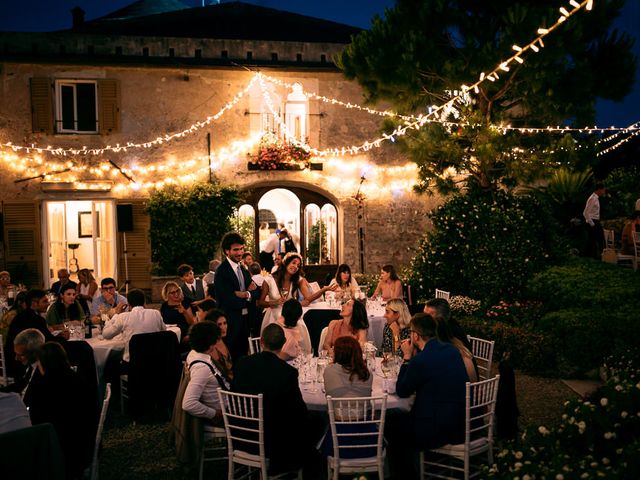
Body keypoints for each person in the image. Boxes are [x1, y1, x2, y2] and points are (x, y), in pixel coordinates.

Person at [385, 313, 469, 478]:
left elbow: (402, 390)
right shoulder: (452, 350)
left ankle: (405, 474)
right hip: (459, 423)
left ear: (415, 335)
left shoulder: (421, 360)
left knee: (391, 424)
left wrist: (408, 357)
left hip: (437, 429)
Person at [232, 323, 313, 475]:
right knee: (314, 422)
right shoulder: (287, 372)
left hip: (240, 434)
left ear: (261, 341)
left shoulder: (242, 363)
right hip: (272, 443)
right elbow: (299, 412)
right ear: (283, 344)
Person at [29, 342, 97, 480]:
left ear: (43, 363)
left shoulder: (44, 388)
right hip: (85, 443)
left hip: (62, 452)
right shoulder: (77, 378)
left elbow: (37, 421)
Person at [259, 252, 337, 329]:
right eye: (294, 263)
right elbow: (259, 303)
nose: (296, 266)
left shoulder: (297, 280)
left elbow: (309, 298)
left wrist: (323, 289)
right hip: (274, 316)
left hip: (292, 316)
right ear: (286, 262)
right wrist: (275, 302)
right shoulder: (269, 280)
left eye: (298, 266)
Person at [214, 232, 259, 360]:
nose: (239, 253)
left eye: (241, 249)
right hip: (230, 321)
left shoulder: (243, 269)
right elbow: (229, 301)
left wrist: (245, 294)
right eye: (235, 250)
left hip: (245, 322)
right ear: (226, 251)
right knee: (232, 357)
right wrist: (248, 297)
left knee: (244, 356)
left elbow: (257, 291)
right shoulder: (221, 272)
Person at [3, 289, 63, 378]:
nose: (48, 304)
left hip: (10, 361)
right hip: (20, 364)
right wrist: (63, 337)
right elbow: (48, 342)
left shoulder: (20, 316)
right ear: (34, 304)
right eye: (44, 301)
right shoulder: (36, 319)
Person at [182, 321, 231, 427]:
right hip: (225, 411)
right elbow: (188, 404)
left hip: (227, 401)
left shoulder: (194, 353)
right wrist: (214, 414)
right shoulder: (202, 368)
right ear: (210, 345)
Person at [102, 289, 166, 363]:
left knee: (110, 362)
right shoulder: (156, 314)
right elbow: (164, 332)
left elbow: (106, 334)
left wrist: (116, 314)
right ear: (144, 302)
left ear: (128, 304)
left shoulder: (123, 317)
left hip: (132, 363)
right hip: (156, 361)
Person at [9, 328, 45, 406]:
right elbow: (20, 385)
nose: (16, 358)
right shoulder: (27, 366)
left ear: (34, 353)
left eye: (21, 355)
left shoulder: (43, 373)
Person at [160, 281, 195, 347]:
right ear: (167, 294)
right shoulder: (164, 305)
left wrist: (184, 312)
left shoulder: (185, 302)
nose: (176, 294)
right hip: (169, 333)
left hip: (183, 333)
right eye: (172, 293)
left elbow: (192, 322)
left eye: (177, 291)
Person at [583, 183, 606, 259]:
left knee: (594, 240)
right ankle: (595, 257)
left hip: (595, 221)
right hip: (592, 222)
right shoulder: (592, 198)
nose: (604, 192)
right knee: (597, 239)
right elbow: (585, 212)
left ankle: (594, 257)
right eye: (603, 190)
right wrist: (592, 224)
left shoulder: (596, 198)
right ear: (599, 189)